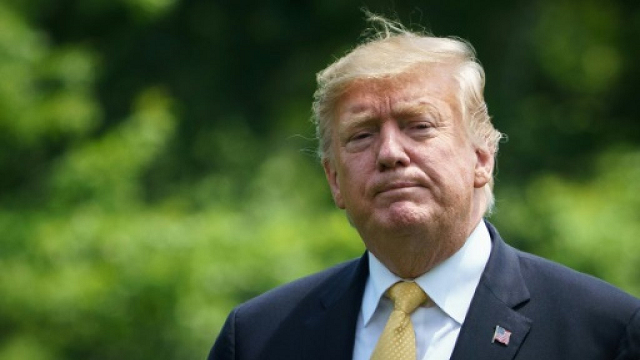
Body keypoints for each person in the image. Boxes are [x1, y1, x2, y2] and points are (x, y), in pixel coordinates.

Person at [208, 14, 640, 360]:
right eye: (362, 135)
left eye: (418, 126)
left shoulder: (605, 332)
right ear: (334, 180)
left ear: (482, 158)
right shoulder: (256, 339)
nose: (389, 152)